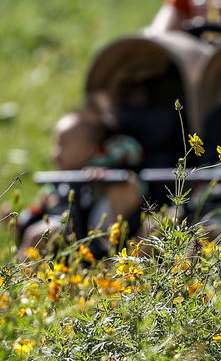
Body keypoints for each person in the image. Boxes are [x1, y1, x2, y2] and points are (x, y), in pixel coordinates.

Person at [16, 97, 144, 257]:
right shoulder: (60, 183)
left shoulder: (109, 159)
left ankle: (111, 261)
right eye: (55, 145)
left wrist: (105, 176)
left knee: (127, 186)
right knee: (37, 234)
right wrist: (20, 221)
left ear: (89, 149)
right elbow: (41, 206)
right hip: (71, 229)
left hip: (115, 222)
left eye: (63, 144)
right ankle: (21, 275)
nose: (55, 152)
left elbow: (132, 157)